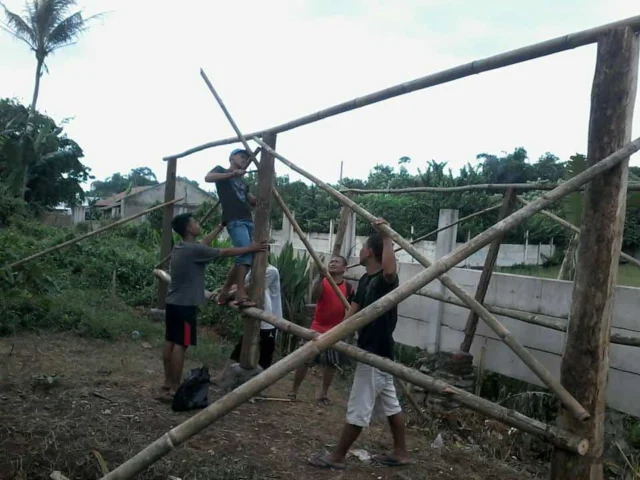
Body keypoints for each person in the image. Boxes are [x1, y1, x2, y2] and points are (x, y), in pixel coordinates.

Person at [309, 219, 410, 470]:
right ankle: (400, 453)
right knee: (391, 404)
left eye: (364, 247)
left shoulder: (386, 281)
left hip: (376, 350)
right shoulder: (365, 280)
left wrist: (386, 235)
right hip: (373, 348)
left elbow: (389, 271)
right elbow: (352, 313)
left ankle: (338, 456)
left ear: (373, 252)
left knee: (359, 406)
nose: (360, 251)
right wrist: (334, 336)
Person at [160, 213, 267, 400]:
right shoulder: (193, 250)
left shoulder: (182, 247)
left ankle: (168, 382)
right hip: (186, 306)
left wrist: (220, 227)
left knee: (170, 341)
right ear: (188, 229)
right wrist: (251, 247)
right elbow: (224, 252)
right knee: (181, 345)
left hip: (173, 303)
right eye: (194, 222)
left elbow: (204, 243)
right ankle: (175, 388)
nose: (197, 224)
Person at [290, 255, 353, 405]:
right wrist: (320, 276)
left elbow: (350, 308)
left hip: (335, 330)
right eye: (331, 261)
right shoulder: (323, 282)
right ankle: (293, 391)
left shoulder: (349, 287)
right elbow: (315, 296)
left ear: (344, 268)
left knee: (330, 364)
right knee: (305, 360)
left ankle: (323, 394)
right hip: (317, 327)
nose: (332, 263)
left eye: (337, 262)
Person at [204, 148, 257, 308]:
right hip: (234, 219)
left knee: (245, 256)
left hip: (248, 219)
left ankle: (226, 290)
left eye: (246, 157)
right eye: (241, 156)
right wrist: (232, 174)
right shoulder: (221, 171)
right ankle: (240, 293)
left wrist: (260, 195)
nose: (243, 158)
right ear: (231, 157)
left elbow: (251, 200)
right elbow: (208, 177)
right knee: (244, 253)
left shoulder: (243, 182)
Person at [214, 261, 283, 382]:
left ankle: (258, 385)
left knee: (265, 354)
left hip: (269, 319)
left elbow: (252, 287)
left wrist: (226, 294)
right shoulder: (253, 269)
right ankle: (222, 376)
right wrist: (223, 290)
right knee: (240, 347)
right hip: (255, 315)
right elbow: (241, 285)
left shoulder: (271, 271)